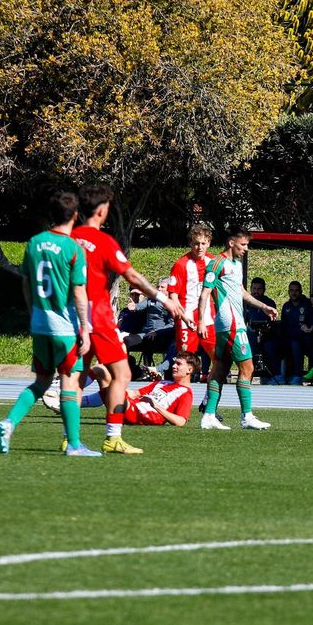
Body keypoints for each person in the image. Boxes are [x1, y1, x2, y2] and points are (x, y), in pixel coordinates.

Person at [74, 183, 191, 456]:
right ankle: (113, 437)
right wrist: (165, 299)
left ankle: (71, 437)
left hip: (69, 313)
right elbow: (133, 277)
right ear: (102, 210)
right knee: (122, 373)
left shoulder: (68, 238)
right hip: (97, 313)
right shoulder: (102, 241)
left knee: (74, 376)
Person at [0, 190, 99, 457]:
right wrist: (85, 327)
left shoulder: (34, 243)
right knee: (70, 383)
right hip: (64, 328)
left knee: (41, 383)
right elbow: (78, 291)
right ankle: (74, 445)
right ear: (76, 216)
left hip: (40, 325)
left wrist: (33, 314)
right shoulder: (73, 248)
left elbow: (26, 281)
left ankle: (9, 423)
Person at [199, 228, 277, 431]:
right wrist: (200, 321)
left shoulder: (237, 265)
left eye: (247, 245)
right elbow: (205, 292)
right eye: (243, 245)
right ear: (231, 242)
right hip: (230, 322)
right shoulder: (217, 263)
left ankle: (208, 415)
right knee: (248, 368)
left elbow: (241, 291)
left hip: (233, 322)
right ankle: (247, 416)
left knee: (221, 369)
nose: (246, 249)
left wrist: (263, 306)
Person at [85, 351, 198, 426]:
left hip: (140, 414)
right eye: (174, 363)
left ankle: (71, 398)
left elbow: (181, 421)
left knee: (113, 390)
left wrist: (156, 406)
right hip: (131, 405)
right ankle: (73, 399)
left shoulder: (185, 392)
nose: (173, 366)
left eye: (179, 364)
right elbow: (134, 393)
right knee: (100, 370)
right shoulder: (163, 382)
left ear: (189, 370)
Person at [168, 224, 215, 375]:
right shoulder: (181, 265)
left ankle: (217, 389)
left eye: (203, 243)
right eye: (196, 243)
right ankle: (181, 391)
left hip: (208, 317)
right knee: (185, 359)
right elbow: (172, 296)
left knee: (218, 356)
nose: (199, 247)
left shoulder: (214, 262)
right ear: (190, 243)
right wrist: (184, 317)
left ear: (209, 243)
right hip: (187, 317)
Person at [117, 285, 173, 378]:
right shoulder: (151, 300)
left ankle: (148, 370)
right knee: (126, 340)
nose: (159, 289)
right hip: (146, 333)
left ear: (169, 290)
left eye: (162, 287)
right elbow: (140, 306)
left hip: (163, 335)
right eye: (158, 287)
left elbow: (172, 324)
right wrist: (134, 307)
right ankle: (124, 370)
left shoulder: (171, 304)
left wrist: (157, 332)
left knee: (148, 339)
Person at [277, 281, 313, 384]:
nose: (294, 293)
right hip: (289, 337)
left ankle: (298, 375)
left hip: (305, 338)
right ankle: (278, 375)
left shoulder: (307, 304)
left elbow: (310, 324)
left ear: (301, 291)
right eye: (291, 290)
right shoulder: (286, 306)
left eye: (297, 290)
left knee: (297, 343)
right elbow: (284, 326)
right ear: (289, 292)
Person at [245, 277, 281, 382]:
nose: (256, 291)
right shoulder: (246, 303)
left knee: (271, 346)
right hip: (250, 335)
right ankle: (246, 377)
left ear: (264, 290)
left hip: (267, 335)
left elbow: (272, 323)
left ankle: (273, 376)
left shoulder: (269, 303)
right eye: (254, 289)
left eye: (259, 289)